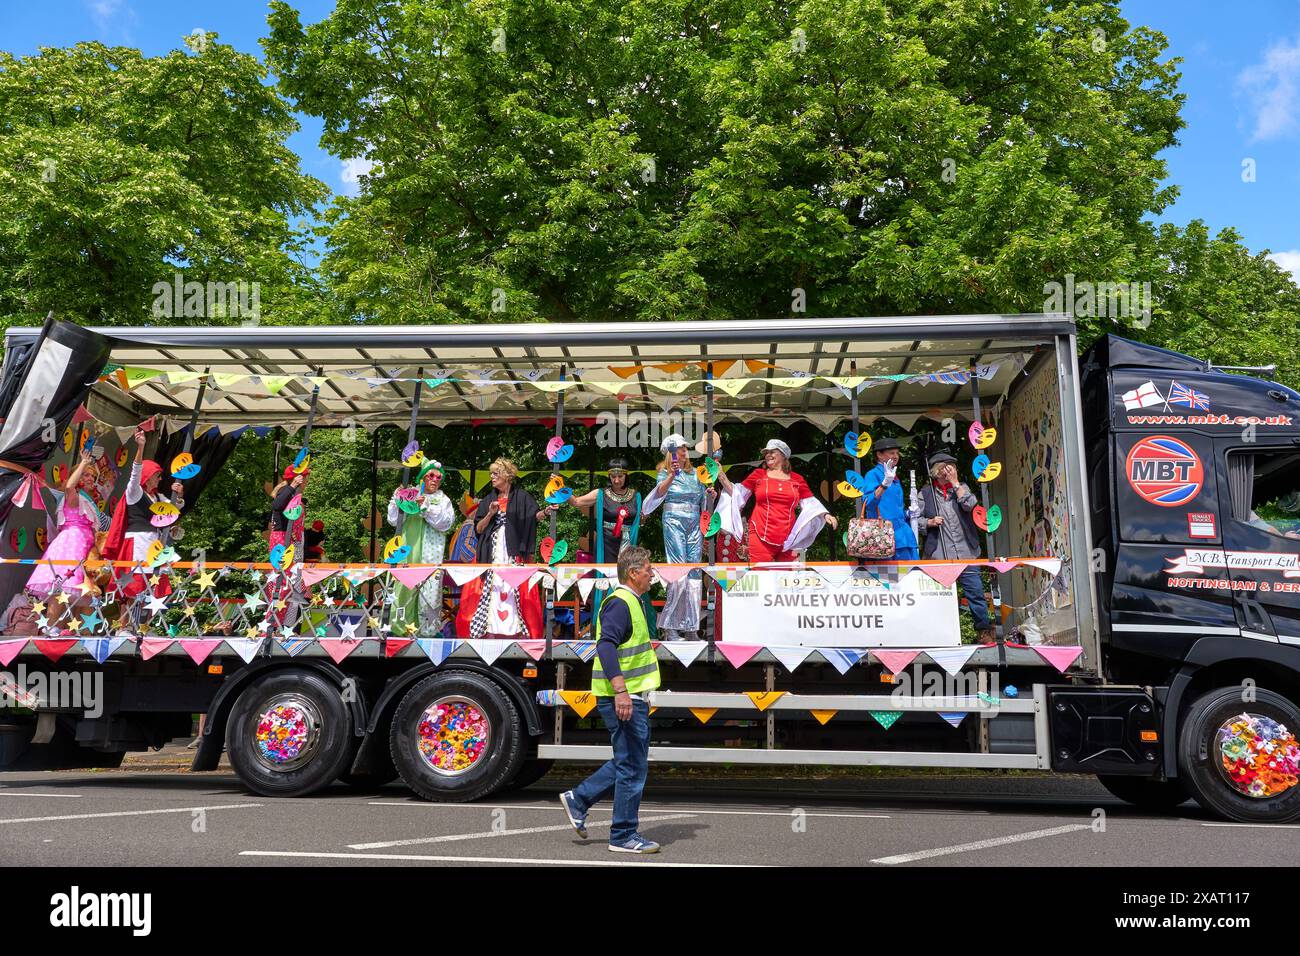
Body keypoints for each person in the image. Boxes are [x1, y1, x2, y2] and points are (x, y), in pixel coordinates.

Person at [560, 545, 662, 854]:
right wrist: (621, 691)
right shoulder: (621, 603)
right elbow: (605, 647)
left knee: (628, 761)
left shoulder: (630, 601)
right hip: (623, 697)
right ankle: (622, 836)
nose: (651, 575)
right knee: (633, 767)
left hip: (628, 695)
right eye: (647, 570)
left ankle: (579, 799)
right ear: (633, 573)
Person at [461, 458, 549, 640]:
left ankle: (516, 632)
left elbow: (534, 517)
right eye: (491, 473)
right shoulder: (488, 499)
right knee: (493, 588)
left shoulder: (522, 497)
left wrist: (547, 511)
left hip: (513, 551)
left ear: (507, 476)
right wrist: (490, 513)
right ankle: (490, 631)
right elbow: (478, 529)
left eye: (496, 474)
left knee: (511, 588)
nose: (492, 477)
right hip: (491, 552)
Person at [716, 438, 837, 562]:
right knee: (762, 576)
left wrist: (825, 514)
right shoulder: (758, 474)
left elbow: (810, 502)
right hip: (759, 534)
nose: (768, 455)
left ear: (783, 455)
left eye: (772, 451)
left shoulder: (797, 479)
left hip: (790, 539)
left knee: (789, 578)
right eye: (766, 453)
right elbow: (737, 493)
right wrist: (720, 475)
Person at [918, 452, 995, 641]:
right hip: (940, 555)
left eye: (952, 468)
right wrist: (929, 522)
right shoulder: (925, 494)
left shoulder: (961, 487)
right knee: (941, 597)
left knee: (975, 592)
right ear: (937, 472)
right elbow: (914, 520)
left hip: (966, 552)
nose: (950, 472)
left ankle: (983, 631)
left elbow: (971, 505)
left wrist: (956, 483)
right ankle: (942, 635)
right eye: (946, 469)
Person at [104, 427, 186, 602]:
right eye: (157, 475)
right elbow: (135, 474)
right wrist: (140, 448)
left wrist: (178, 496)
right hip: (138, 542)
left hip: (155, 543)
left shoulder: (158, 497)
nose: (160, 479)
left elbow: (172, 512)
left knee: (154, 586)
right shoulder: (135, 493)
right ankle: (123, 627)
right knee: (134, 584)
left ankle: (143, 627)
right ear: (147, 476)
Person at [641, 434, 706, 640]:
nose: (684, 451)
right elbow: (659, 493)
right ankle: (670, 627)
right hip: (674, 520)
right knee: (678, 571)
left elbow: (704, 499)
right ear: (671, 453)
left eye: (685, 447)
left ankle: (691, 627)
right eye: (680, 448)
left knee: (695, 573)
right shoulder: (664, 471)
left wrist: (711, 495)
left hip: (695, 522)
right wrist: (671, 475)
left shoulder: (697, 473)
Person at [25, 447, 108, 603]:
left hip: (85, 548)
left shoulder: (89, 502)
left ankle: (63, 628)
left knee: (80, 605)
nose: (91, 479)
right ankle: (52, 628)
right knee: (60, 598)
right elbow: (70, 486)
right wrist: (84, 462)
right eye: (86, 475)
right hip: (71, 546)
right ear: (76, 477)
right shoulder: (73, 496)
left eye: (93, 476)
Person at [386, 458, 456, 635]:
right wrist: (396, 500)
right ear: (423, 477)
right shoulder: (410, 494)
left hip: (431, 554)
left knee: (429, 593)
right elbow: (394, 520)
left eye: (439, 477)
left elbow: (445, 523)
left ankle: (428, 632)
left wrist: (425, 507)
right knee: (403, 589)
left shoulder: (443, 499)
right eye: (431, 475)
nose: (435, 479)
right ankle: (399, 630)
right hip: (407, 551)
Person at [568, 457, 641, 564]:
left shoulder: (636, 496)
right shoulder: (600, 493)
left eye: (620, 476)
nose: (616, 480)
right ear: (609, 476)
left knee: (627, 574)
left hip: (628, 542)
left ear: (626, 476)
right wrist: (560, 487)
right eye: (613, 476)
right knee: (607, 575)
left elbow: (641, 519)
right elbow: (576, 502)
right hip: (606, 543)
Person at [861, 437, 919, 560]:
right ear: (879, 455)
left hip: (902, 535)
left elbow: (894, 507)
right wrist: (884, 485)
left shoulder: (893, 475)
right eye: (891, 453)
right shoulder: (873, 474)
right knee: (888, 577)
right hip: (883, 536)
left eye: (897, 453)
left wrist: (909, 513)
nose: (896, 456)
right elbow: (868, 503)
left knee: (911, 574)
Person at [267, 464, 308, 628]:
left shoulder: (295, 494)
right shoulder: (286, 491)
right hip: (283, 539)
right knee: (283, 583)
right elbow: (277, 505)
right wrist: (293, 486)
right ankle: (273, 623)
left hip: (293, 542)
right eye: (305, 478)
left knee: (292, 585)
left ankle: (286, 624)